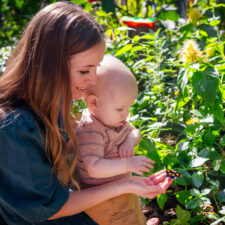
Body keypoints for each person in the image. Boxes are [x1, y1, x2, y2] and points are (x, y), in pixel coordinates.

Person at [0, 2, 172, 225]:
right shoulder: (13, 128)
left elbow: (62, 156)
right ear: (50, 65)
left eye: (96, 67)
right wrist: (124, 184)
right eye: (84, 71)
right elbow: (50, 208)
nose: (92, 81)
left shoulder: (53, 99)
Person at [75, 55, 157, 225]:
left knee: (132, 209)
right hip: (105, 200)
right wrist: (127, 164)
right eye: (120, 108)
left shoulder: (114, 120)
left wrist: (129, 140)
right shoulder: (91, 130)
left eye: (128, 107)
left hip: (122, 187)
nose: (126, 114)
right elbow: (94, 168)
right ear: (93, 103)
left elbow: (135, 132)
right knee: (122, 219)